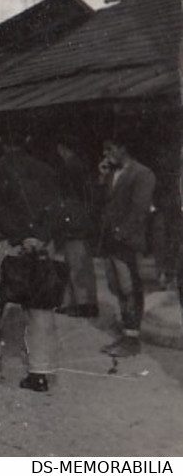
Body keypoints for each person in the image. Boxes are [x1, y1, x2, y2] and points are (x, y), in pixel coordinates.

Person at [0, 125, 63, 393]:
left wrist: (20, 237)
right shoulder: (46, 171)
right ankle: (40, 372)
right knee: (40, 308)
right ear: (27, 140)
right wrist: (38, 238)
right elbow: (56, 209)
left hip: (8, 245)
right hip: (40, 247)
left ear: (0, 141)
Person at [97, 130, 156, 359]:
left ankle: (132, 339)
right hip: (111, 241)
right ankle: (126, 333)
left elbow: (140, 210)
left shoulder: (143, 174)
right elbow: (101, 203)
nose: (106, 154)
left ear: (123, 149)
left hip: (128, 243)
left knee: (130, 289)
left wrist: (121, 234)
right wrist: (101, 179)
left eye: (110, 149)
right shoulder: (112, 173)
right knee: (118, 288)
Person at [50, 138, 99, 319]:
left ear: (61, 147)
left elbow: (73, 195)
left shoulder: (70, 167)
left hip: (74, 220)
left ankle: (85, 303)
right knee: (75, 261)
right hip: (77, 219)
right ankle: (78, 302)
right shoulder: (79, 165)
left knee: (78, 262)